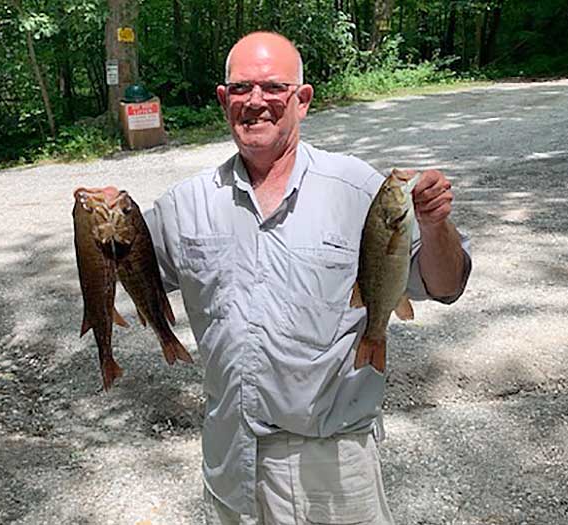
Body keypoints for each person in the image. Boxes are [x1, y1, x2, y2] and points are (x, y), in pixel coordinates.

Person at [144, 31, 471, 525]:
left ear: (302, 100)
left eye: (274, 87)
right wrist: (106, 218)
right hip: (231, 459)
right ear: (222, 99)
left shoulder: (358, 189)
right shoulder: (185, 205)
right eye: (240, 89)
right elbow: (124, 263)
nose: (256, 102)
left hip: (333, 465)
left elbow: (446, 285)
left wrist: (434, 222)